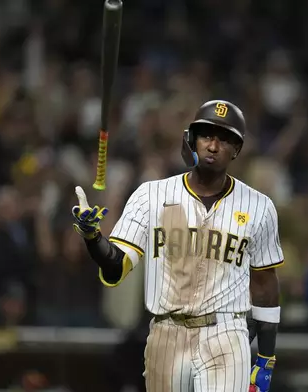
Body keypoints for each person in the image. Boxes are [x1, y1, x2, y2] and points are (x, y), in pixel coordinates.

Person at [72, 100, 284, 392]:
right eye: (206, 135)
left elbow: (264, 285)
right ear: (191, 140)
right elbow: (116, 264)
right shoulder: (152, 194)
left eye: (224, 139)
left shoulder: (260, 207)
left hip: (227, 332)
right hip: (166, 330)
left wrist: (266, 357)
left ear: (237, 149)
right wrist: (93, 237)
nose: (213, 145)